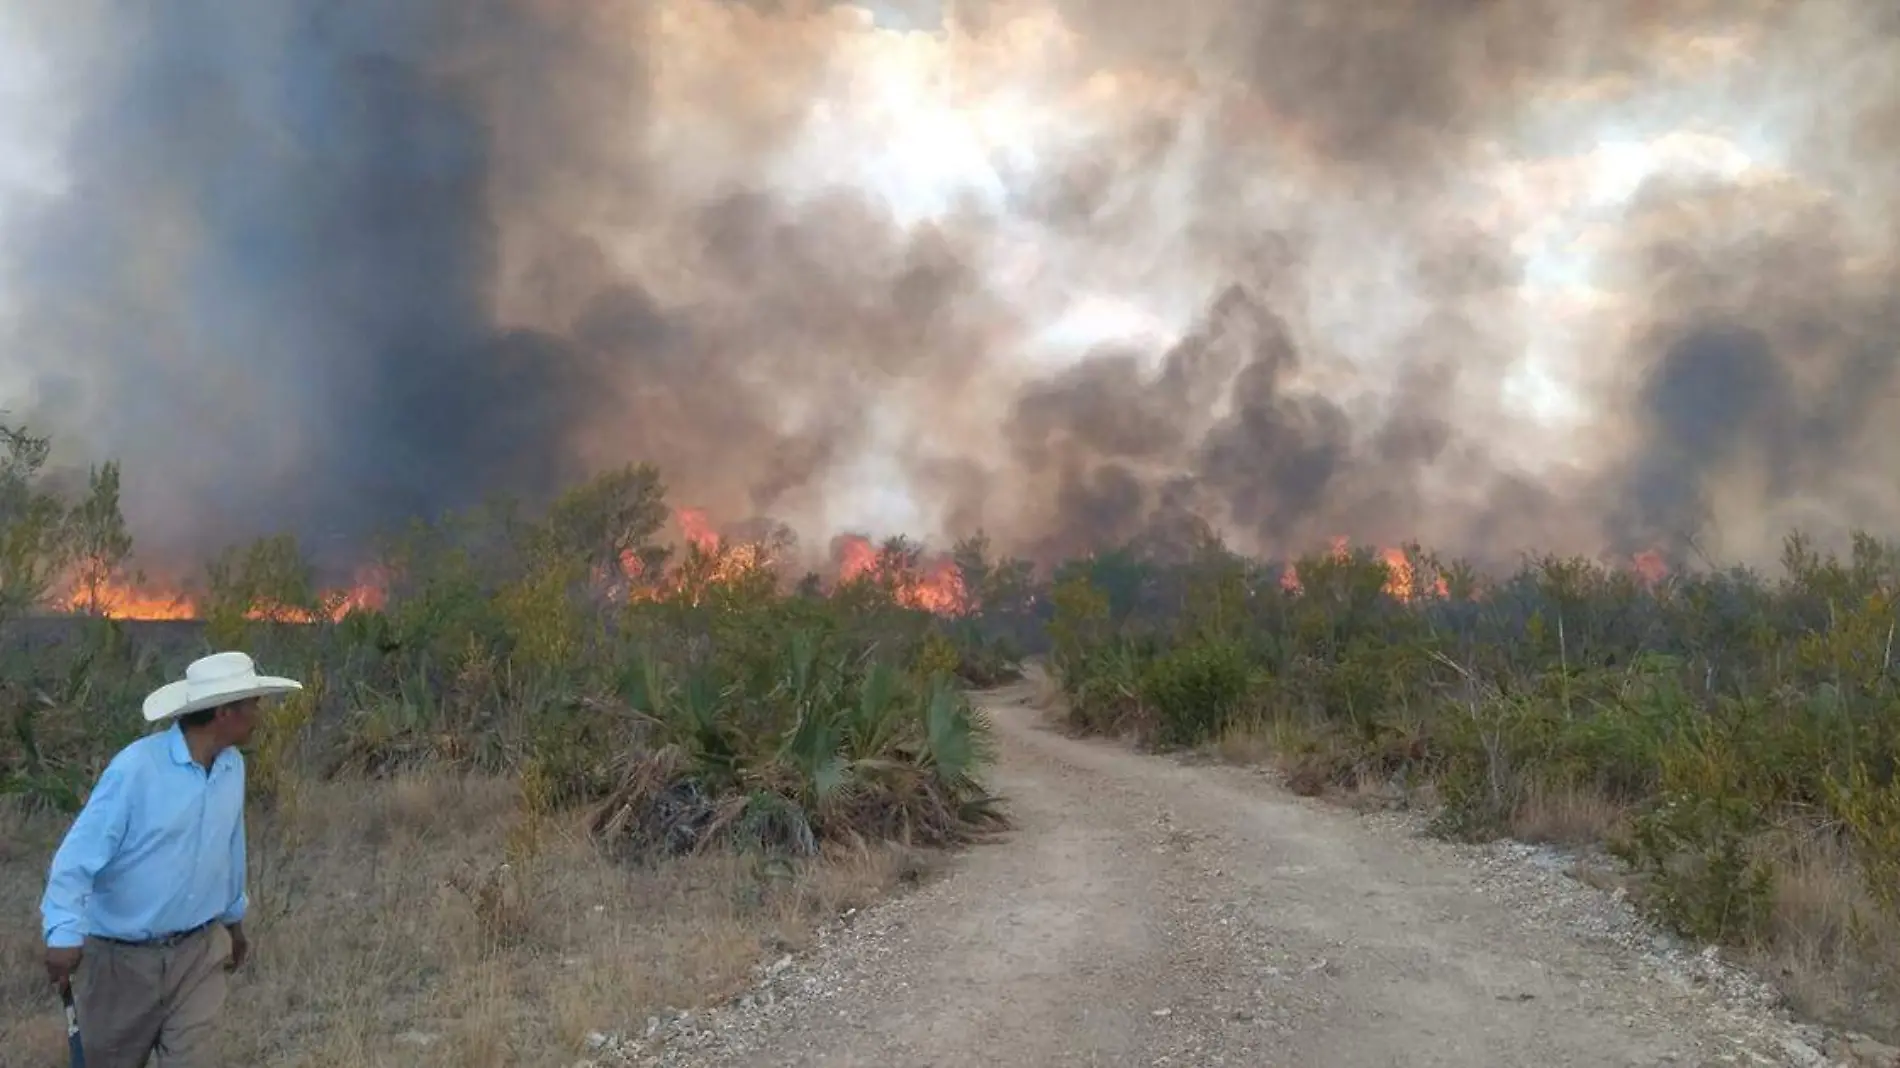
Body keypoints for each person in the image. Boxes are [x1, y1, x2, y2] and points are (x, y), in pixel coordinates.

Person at [40, 650, 303, 1068]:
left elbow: (230, 848)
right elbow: (77, 857)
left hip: (198, 953)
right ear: (224, 712)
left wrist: (233, 922)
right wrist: (63, 934)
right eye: (252, 704)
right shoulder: (135, 771)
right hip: (123, 963)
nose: (258, 713)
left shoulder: (231, 768)